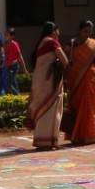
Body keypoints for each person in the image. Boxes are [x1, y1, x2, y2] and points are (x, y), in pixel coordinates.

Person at [23, 22, 68, 150]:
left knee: (41, 106)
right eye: (58, 31)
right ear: (53, 31)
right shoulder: (52, 42)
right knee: (51, 108)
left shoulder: (42, 42)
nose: (58, 34)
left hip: (39, 80)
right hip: (49, 81)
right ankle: (48, 141)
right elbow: (64, 61)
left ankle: (42, 140)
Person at [65, 20, 95, 146]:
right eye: (85, 31)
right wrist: (65, 80)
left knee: (89, 108)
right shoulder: (71, 44)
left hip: (90, 80)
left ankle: (89, 136)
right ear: (80, 30)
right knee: (76, 108)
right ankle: (76, 136)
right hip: (75, 81)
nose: (87, 34)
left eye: (89, 32)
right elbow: (67, 63)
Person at [3, 28, 27, 95]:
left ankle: (16, 95)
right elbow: (6, 58)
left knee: (8, 83)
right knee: (13, 82)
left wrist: (24, 69)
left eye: (7, 35)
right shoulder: (6, 45)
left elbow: (20, 56)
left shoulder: (14, 44)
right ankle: (18, 95)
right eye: (5, 34)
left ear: (12, 36)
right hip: (8, 66)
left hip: (14, 66)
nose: (5, 36)